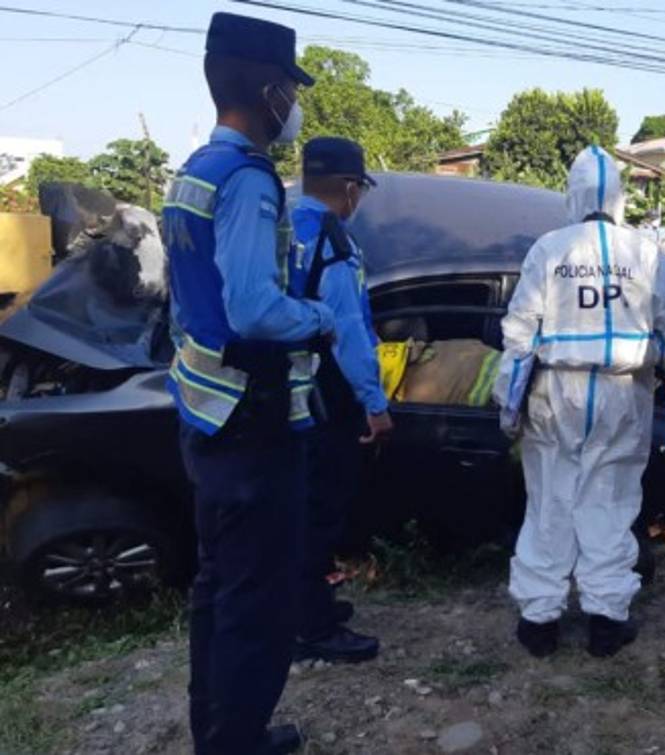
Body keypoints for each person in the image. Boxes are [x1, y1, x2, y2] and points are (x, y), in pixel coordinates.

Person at [163, 13, 331, 755]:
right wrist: (319, 315)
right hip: (252, 421)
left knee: (219, 589)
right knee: (257, 599)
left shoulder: (193, 171)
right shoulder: (251, 181)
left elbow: (191, 299)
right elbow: (255, 307)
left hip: (204, 412)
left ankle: (218, 733)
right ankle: (239, 741)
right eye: (292, 88)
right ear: (269, 91)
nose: (294, 103)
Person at [493, 145, 665, 659]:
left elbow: (518, 332)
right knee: (611, 498)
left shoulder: (549, 248)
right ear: (621, 197)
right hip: (625, 391)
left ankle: (539, 621)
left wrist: (507, 405)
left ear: (571, 195)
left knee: (550, 498)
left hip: (555, 390)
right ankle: (606, 619)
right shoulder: (646, 252)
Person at [289, 136, 391, 664]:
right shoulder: (333, 242)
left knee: (299, 507)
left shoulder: (285, 226)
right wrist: (374, 404)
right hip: (326, 396)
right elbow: (348, 333)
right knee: (320, 512)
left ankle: (306, 605)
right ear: (350, 188)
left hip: (285, 392)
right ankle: (312, 626)